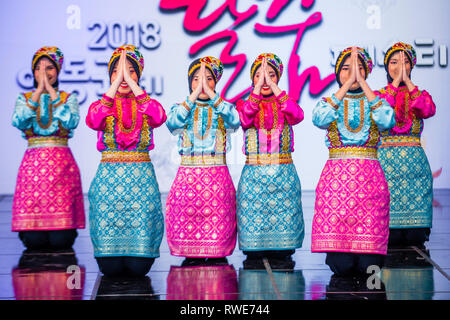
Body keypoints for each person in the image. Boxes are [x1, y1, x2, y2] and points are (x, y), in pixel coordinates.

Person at [311, 47, 395, 276]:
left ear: (366, 72)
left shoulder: (377, 101)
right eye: (346, 69)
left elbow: (388, 120)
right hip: (337, 183)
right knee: (342, 267)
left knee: (370, 267)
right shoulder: (330, 102)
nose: (353, 74)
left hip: (370, 181)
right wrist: (346, 86)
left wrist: (364, 86)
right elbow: (319, 119)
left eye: (358, 69)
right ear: (338, 73)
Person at [86, 45, 166, 277]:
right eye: (116, 71)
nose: (122, 76)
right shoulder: (101, 106)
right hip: (108, 187)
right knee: (110, 269)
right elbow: (93, 120)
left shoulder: (146, 105)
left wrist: (133, 85)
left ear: (139, 76)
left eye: (130, 71)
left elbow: (159, 117)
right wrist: (114, 87)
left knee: (139, 267)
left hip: (140, 185)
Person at [165, 56, 240, 264]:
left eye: (208, 79)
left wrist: (215, 98)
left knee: (218, 226)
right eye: (196, 79)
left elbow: (235, 122)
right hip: (188, 177)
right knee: (188, 219)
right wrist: (192, 98)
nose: (202, 84)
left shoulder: (223, 108)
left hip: (217, 177)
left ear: (216, 82)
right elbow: (171, 124)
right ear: (189, 82)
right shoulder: (182, 108)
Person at [236, 53, 305, 269]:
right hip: (254, 173)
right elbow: (245, 118)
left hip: (282, 172)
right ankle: (255, 246)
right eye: (258, 75)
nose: (264, 79)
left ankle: (283, 246)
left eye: (270, 75)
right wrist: (256, 92)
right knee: (253, 242)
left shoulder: (285, 103)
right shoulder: (246, 104)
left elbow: (297, 115)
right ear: (251, 80)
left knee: (283, 248)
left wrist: (276, 89)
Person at [12, 46, 85, 250]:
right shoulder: (24, 99)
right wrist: (37, 93)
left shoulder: (67, 98)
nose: (44, 73)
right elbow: (18, 121)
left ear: (58, 70)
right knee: (34, 243)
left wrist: (52, 93)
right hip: (32, 170)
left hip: (61, 168)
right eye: (38, 68)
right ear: (33, 72)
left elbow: (71, 121)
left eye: (50, 68)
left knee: (60, 241)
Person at [376, 42, 436, 248]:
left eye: (405, 62)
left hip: (415, 165)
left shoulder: (419, 94)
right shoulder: (378, 95)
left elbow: (427, 110)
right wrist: (395, 85)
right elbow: (381, 111)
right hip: (386, 164)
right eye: (394, 62)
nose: (399, 67)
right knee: (390, 235)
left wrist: (407, 82)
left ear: (412, 66)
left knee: (415, 237)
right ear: (386, 66)